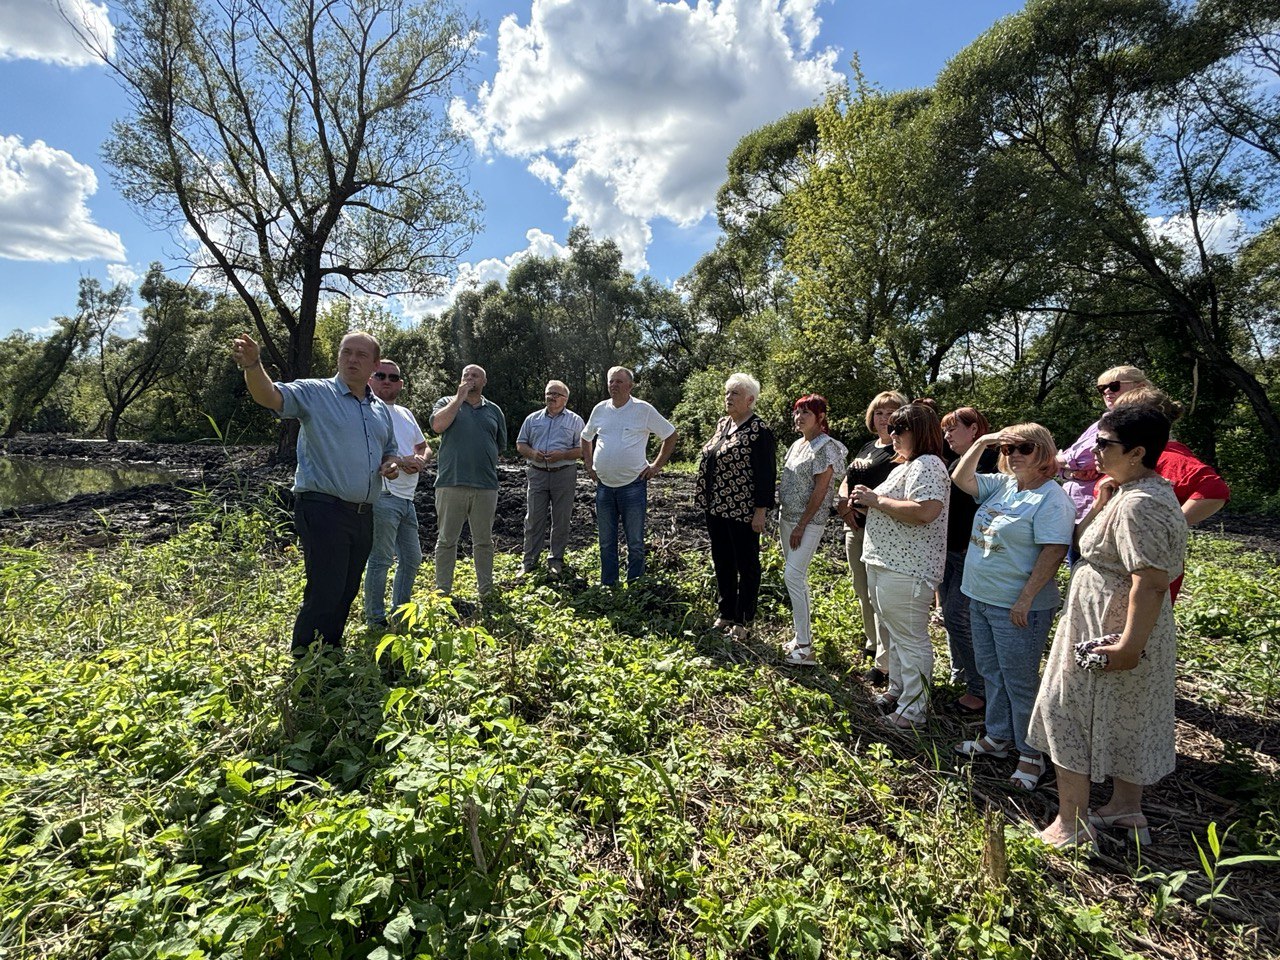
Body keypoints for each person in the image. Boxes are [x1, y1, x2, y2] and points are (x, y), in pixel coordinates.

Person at [1028, 403, 1187, 850]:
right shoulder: (1130, 491)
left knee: (1066, 710)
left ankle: (1071, 823)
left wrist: (1129, 645)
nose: (1092, 451)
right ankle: (1124, 807)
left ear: (1137, 451)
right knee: (1124, 714)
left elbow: (1152, 580)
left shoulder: (1141, 505)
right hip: (1107, 618)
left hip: (1111, 625)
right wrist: (1100, 502)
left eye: (1104, 443)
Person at [231, 330, 400, 655]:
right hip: (324, 508)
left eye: (361, 355)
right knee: (326, 589)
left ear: (375, 365)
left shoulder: (379, 410)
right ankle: (306, 662)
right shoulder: (315, 393)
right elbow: (270, 396)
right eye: (346, 352)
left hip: (363, 514)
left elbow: (389, 450)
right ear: (338, 356)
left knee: (347, 589)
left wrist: (390, 464)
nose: (352, 359)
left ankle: (330, 651)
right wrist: (253, 366)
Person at [951, 424, 1075, 791]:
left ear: (1044, 453)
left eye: (1024, 447)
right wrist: (984, 443)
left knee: (1020, 682)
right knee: (991, 671)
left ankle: (1031, 754)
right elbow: (961, 478)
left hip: (1019, 607)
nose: (1014, 455)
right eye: (1008, 449)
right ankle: (998, 737)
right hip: (981, 596)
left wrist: (1025, 598)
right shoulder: (1004, 485)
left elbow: (1054, 551)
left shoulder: (1052, 499)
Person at [851, 403, 950, 727]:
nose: (891, 434)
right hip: (887, 564)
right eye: (890, 428)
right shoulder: (905, 465)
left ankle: (913, 711)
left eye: (899, 428)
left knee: (910, 639)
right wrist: (865, 499)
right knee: (895, 634)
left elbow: (925, 510)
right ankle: (898, 692)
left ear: (919, 432)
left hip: (907, 568)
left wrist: (875, 500)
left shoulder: (929, 464)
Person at [1112, 386, 1230, 602]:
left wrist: (1173, 523)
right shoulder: (1130, 454)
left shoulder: (1168, 457)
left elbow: (1215, 490)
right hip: (1126, 568)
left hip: (1143, 573)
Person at [695, 373, 777, 639]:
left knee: (747, 563)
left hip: (742, 509)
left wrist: (761, 511)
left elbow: (766, 474)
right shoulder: (723, 424)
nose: (728, 398)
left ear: (750, 400)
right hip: (716, 507)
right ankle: (726, 612)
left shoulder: (759, 431)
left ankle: (743, 620)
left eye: (735, 394)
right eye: (727, 393)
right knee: (722, 561)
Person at [834, 390, 907, 684]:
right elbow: (848, 480)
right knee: (862, 588)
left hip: (884, 533)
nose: (883, 418)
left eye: (891, 412)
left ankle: (886, 661)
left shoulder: (902, 452)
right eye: (878, 412)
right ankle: (873, 642)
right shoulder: (868, 447)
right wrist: (843, 507)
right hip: (855, 526)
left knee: (882, 596)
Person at [581, 366, 678, 586]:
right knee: (606, 541)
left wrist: (655, 466)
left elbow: (670, 435)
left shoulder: (643, 410)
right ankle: (609, 584)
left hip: (633, 486)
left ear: (630, 386)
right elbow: (586, 437)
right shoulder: (600, 409)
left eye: (618, 381)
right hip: (604, 486)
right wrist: (589, 464)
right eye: (611, 381)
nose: (613, 385)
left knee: (634, 540)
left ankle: (635, 584)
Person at [938, 407, 999, 714]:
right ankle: (960, 674)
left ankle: (980, 689)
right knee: (951, 618)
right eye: (945, 430)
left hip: (969, 553)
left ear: (974, 430)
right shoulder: (950, 459)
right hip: (948, 550)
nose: (946, 436)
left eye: (953, 429)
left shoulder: (991, 460)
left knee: (957, 617)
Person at [779, 394, 847, 666]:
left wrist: (802, 525)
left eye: (805, 412)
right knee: (797, 578)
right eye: (796, 412)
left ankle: (806, 648)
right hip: (787, 519)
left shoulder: (827, 447)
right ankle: (799, 636)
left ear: (821, 417)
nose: (799, 417)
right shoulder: (797, 445)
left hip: (807, 523)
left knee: (792, 576)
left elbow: (821, 491)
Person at [363, 359, 431, 630]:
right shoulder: (366, 410)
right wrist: (403, 460)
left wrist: (421, 459)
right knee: (380, 559)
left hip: (407, 497)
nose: (387, 381)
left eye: (393, 377)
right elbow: (370, 453)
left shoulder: (405, 413)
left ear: (400, 384)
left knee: (412, 558)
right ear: (371, 379)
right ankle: (375, 619)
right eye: (381, 376)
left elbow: (424, 446)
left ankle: (400, 615)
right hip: (384, 495)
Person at [430, 364, 507, 600]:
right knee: (446, 540)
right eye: (466, 375)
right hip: (451, 483)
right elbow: (437, 426)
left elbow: (500, 446)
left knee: (483, 541)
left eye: (475, 376)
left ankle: (485, 591)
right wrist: (459, 398)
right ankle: (443, 593)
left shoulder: (494, 410)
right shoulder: (446, 402)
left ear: (484, 382)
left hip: (485, 486)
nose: (470, 378)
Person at [1057, 365, 1151, 524]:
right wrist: (1069, 473)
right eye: (1102, 388)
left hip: (1098, 512)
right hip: (1071, 511)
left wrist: (1058, 460)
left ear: (1139, 387)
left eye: (1114, 386)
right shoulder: (1099, 424)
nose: (1107, 391)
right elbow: (1068, 463)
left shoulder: (1138, 422)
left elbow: (1082, 458)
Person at [515, 380, 584, 577]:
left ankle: (556, 560)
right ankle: (528, 562)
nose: (551, 397)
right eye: (548, 393)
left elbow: (582, 450)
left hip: (564, 473)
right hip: (537, 473)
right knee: (534, 518)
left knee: (561, 519)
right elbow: (521, 444)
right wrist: (533, 453)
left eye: (556, 394)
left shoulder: (575, 421)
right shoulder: (532, 419)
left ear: (566, 399)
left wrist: (562, 455)